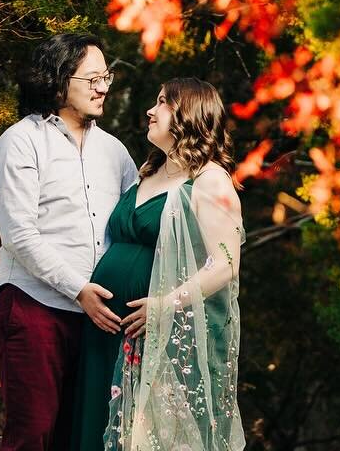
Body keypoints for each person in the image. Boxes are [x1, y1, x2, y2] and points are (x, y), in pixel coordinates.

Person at [71, 78, 245, 451]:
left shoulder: (211, 181)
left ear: (188, 115)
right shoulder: (148, 172)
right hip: (104, 330)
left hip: (156, 335)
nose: (151, 111)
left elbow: (227, 263)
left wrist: (166, 306)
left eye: (163, 103)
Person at [0, 33, 139, 451]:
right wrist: (78, 290)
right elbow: (18, 235)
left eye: (106, 77)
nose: (104, 87)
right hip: (33, 306)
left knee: (83, 435)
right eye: (92, 78)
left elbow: (131, 226)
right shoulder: (20, 141)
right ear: (58, 82)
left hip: (99, 316)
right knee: (32, 434)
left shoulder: (116, 152)